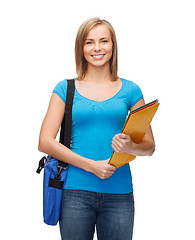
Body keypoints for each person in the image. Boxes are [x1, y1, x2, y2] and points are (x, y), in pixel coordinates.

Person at [38, 17, 155, 240]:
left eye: (104, 41)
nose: (97, 48)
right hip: (74, 193)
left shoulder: (131, 90)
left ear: (113, 45)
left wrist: (130, 146)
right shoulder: (65, 88)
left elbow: (149, 147)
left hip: (119, 194)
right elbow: (45, 141)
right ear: (81, 48)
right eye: (89, 42)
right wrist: (92, 166)